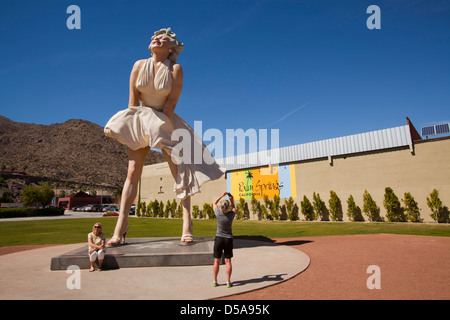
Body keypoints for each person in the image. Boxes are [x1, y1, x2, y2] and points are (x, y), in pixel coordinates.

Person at [104, 28, 224, 246]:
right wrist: (131, 127)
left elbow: (170, 105)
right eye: (154, 38)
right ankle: (120, 227)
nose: (156, 39)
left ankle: (187, 223)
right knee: (132, 171)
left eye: (163, 38)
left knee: (179, 171)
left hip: (165, 121)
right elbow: (132, 101)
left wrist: (159, 129)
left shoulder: (175, 70)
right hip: (140, 120)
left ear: (171, 47)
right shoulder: (138, 65)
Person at [212, 192, 236, 288]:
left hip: (219, 238)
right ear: (228, 207)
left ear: (221, 207)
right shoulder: (231, 215)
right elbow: (234, 208)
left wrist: (221, 195)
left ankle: (214, 281)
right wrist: (232, 200)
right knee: (228, 261)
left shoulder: (218, 213)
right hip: (228, 239)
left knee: (216, 261)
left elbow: (214, 203)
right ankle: (228, 281)